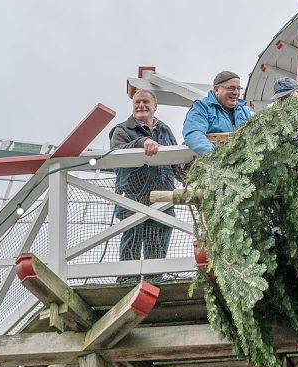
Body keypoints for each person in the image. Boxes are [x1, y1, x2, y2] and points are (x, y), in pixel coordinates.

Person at [109, 89, 180, 273]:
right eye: (137, 102)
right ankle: (127, 282)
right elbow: (116, 152)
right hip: (132, 197)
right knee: (131, 244)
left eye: (145, 102)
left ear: (155, 106)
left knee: (157, 246)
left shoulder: (164, 130)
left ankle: (154, 283)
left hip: (162, 196)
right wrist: (141, 142)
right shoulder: (122, 130)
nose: (141, 105)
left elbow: (176, 163)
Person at [184, 71, 254, 155]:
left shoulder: (245, 111)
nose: (236, 93)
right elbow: (193, 134)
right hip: (212, 165)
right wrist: (217, 156)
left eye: (238, 89)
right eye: (231, 88)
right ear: (216, 89)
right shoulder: (202, 108)